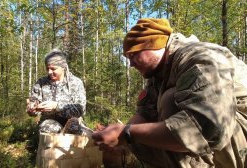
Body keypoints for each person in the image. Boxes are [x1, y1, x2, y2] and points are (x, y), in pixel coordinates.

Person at [92, 18, 247, 168]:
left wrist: (126, 133)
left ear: (154, 45)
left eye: (133, 55)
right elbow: (145, 113)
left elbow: (207, 128)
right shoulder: (158, 73)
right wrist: (120, 138)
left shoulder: (198, 58)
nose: (131, 64)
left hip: (233, 134)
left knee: (169, 101)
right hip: (218, 136)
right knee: (142, 129)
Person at [27, 48, 86, 135]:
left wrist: (56, 106)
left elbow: (80, 110)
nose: (50, 72)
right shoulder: (41, 83)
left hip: (71, 121)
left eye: (53, 69)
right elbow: (34, 106)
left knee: (74, 128)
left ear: (63, 67)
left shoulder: (76, 82)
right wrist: (32, 109)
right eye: (47, 69)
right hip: (49, 122)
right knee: (48, 128)